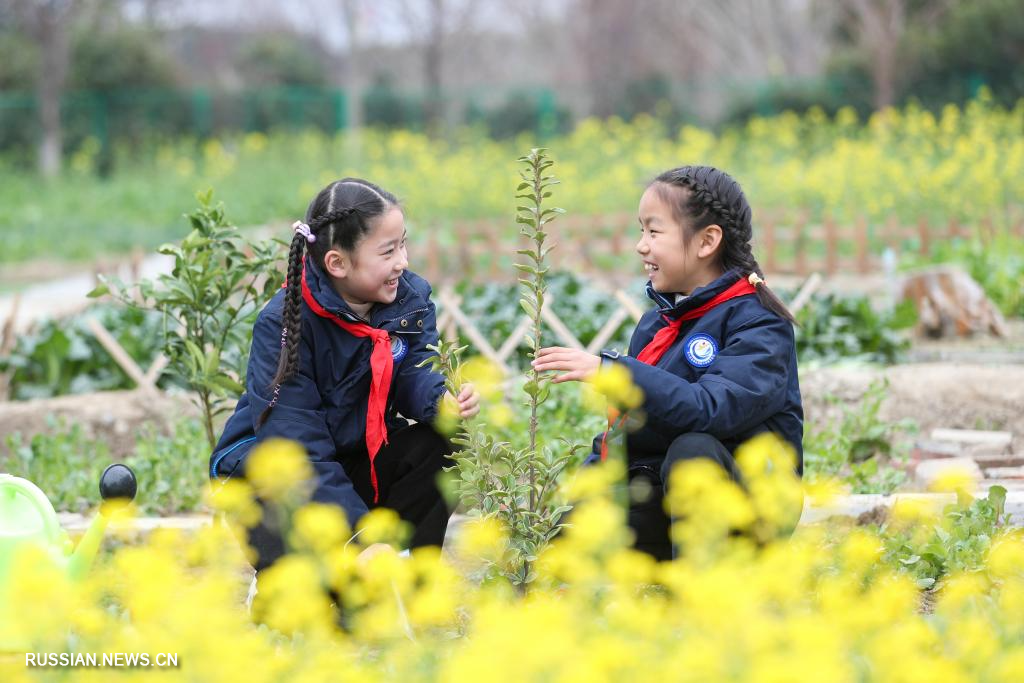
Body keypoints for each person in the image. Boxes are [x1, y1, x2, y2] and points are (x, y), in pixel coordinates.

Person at [532, 165, 803, 560]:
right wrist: (574, 507)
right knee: (568, 533)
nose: (641, 246)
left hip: (752, 509)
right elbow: (623, 434)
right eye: (640, 231)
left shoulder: (759, 323)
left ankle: (703, 586)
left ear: (707, 241)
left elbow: (709, 410)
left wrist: (616, 372)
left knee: (694, 449)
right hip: (669, 497)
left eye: (654, 232)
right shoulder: (656, 325)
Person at [209, 178, 479, 570]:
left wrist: (440, 399)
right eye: (388, 251)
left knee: (442, 442)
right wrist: (358, 535)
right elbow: (297, 444)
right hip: (275, 479)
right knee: (315, 598)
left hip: (351, 458)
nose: (402, 262)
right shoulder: (285, 323)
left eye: (402, 244)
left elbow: (414, 367)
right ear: (337, 263)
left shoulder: (409, 299)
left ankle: (407, 576)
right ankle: (324, 573)